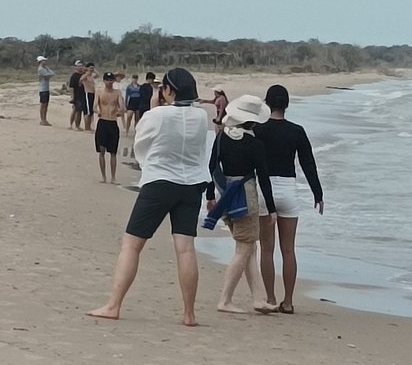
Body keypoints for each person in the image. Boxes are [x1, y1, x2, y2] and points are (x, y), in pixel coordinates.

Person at [87, 68, 209, 326]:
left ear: (169, 90)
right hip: (191, 184)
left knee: (132, 245)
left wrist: (155, 107)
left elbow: (142, 144)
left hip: (160, 182)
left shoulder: (158, 115)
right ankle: (189, 313)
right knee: (185, 248)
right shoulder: (201, 115)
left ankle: (114, 305)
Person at [256, 84, 324, 314]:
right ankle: (288, 301)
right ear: (287, 104)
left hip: (263, 190)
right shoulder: (297, 131)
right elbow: (308, 163)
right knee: (288, 250)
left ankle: (271, 298)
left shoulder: (258, 129)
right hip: (287, 189)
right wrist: (318, 193)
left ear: (267, 103)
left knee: (266, 249)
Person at [207, 94, 277, 314]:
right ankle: (225, 299)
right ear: (253, 120)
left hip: (224, 194)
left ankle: (259, 298)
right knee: (245, 247)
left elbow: (211, 167)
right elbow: (263, 177)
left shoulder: (221, 138)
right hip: (245, 196)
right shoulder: (255, 143)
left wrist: (211, 195)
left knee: (248, 248)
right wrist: (272, 209)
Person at [94, 72, 125, 184]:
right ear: (104, 81)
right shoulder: (100, 92)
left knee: (113, 152)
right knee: (101, 150)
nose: (109, 82)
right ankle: (103, 176)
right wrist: (97, 111)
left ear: (113, 81)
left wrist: (119, 111)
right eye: (107, 80)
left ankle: (113, 177)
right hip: (102, 122)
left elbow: (122, 106)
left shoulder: (117, 93)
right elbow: (94, 106)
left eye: (111, 79)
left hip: (112, 122)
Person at [67, 61, 86, 130]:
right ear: (75, 67)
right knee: (78, 110)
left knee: (76, 110)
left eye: (81, 66)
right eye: (79, 66)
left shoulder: (84, 75)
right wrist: (72, 97)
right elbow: (71, 87)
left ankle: (73, 125)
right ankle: (75, 125)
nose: (80, 67)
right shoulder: (74, 76)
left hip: (83, 94)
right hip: (77, 95)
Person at [36, 56, 54, 126]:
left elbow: (52, 73)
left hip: (46, 89)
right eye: (44, 61)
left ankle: (44, 119)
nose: (45, 62)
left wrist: (47, 69)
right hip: (42, 89)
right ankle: (42, 119)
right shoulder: (40, 69)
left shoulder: (45, 68)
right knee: (43, 105)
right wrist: (48, 75)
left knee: (46, 105)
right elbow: (47, 75)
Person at [81, 62, 97, 131]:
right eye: (90, 68)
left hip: (93, 94)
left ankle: (89, 127)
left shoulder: (92, 76)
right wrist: (87, 72)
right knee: (87, 112)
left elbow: (98, 75)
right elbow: (81, 79)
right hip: (87, 93)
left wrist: (94, 70)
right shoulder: (85, 76)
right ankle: (86, 127)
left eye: (92, 68)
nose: (91, 69)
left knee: (91, 111)